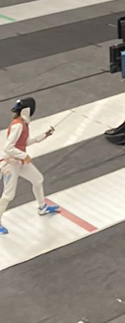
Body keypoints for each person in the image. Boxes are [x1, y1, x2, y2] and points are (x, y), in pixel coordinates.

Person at [0, 97, 60, 234]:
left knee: (38, 179)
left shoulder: (23, 124)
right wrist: (24, 156)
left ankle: (42, 207)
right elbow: (8, 148)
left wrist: (44, 135)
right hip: (10, 164)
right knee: (8, 195)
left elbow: (24, 142)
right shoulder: (18, 125)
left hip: (20, 162)